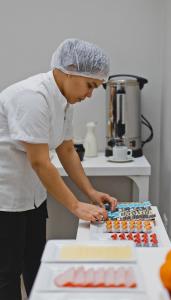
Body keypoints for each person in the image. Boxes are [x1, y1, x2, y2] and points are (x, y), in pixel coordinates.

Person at [0, 38, 117, 300]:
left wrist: (90, 192)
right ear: (70, 69)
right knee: (7, 274)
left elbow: (66, 150)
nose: (89, 94)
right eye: (90, 85)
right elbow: (40, 161)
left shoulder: (63, 100)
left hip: (32, 196)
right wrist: (75, 206)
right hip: (5, 200)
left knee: (35, 265)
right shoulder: (32, 96)